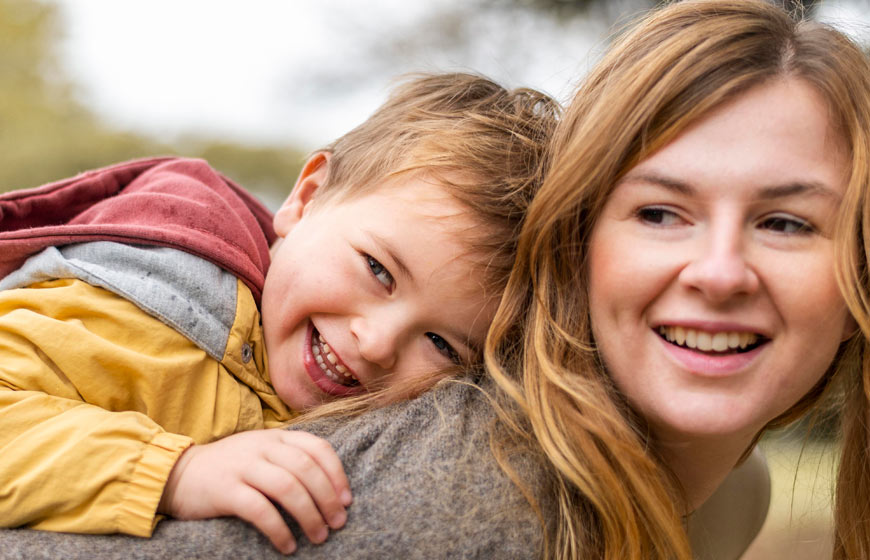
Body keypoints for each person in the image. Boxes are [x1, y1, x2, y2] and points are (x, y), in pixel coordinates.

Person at [0, 72, 559, 554]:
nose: (378, 343)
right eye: (379, 270)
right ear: (307, 198)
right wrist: (174, 472)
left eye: (442, 344)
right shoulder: (149, 303)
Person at [483, 0, 870, 559]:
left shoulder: (738, 496)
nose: (719, 275)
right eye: (660, 213)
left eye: (785, 224)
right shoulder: (466, 508)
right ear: (573, 245)